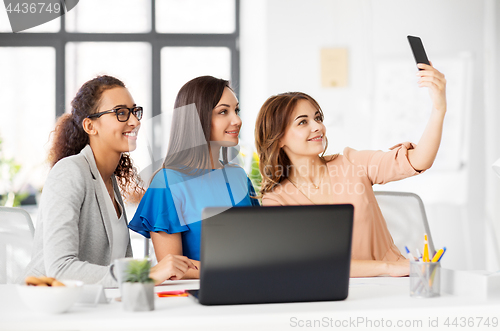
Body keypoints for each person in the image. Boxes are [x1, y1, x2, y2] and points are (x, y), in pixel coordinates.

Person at [255, 63, 446, 277]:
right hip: (333, 292)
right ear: (279, 138)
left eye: (317, 118)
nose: (317, 127)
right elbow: (308, 262)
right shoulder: (277, 200)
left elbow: (419, 160)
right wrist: (387, 267)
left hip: (395, 283)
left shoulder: (353, 163)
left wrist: (438, 109)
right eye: (302, 122)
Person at [22, 75, 196, 286]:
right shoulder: (69, 172)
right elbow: (61, 269)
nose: (135, 121)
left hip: (94, 308)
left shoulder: (108, 181)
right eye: (121, 113)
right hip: (48, 307)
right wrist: (146, 275)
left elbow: (118, 271)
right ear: (90, 126)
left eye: (134, 111)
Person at [128, 76, 260, 279]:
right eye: (223, 112)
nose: (237, 120)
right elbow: (172, 268)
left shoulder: (239, 176)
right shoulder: (166, 184)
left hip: (253, 288)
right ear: (197, 118)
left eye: (236, 110)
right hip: (198, 297)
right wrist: (238, 268)